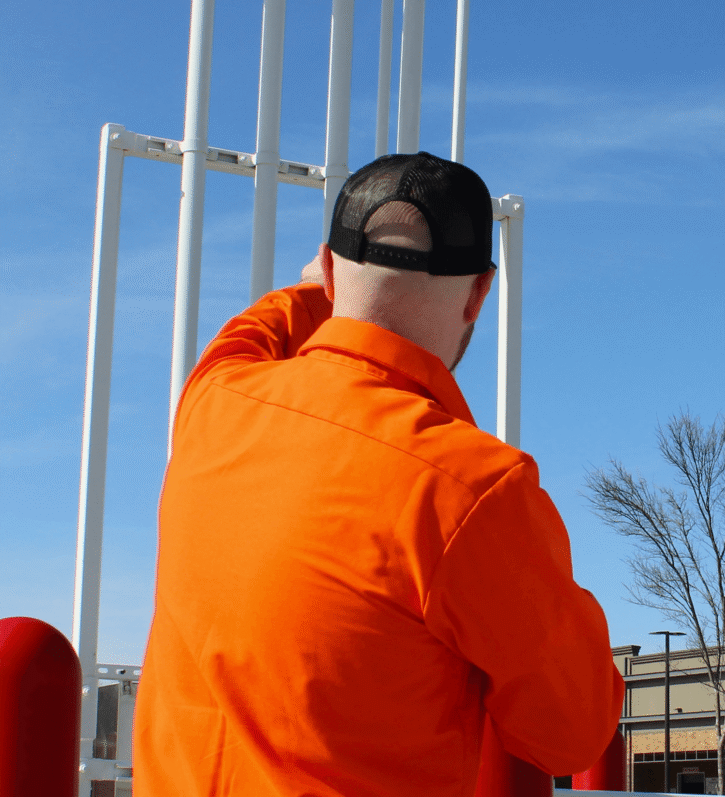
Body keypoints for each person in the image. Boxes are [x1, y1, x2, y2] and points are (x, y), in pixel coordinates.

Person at [133, 151, 624, 797]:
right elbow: (571, 733)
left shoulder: (214, 398)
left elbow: (253, 331)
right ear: (480, 291)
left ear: (329, 267)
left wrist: (313, 291)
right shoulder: (475, 490)